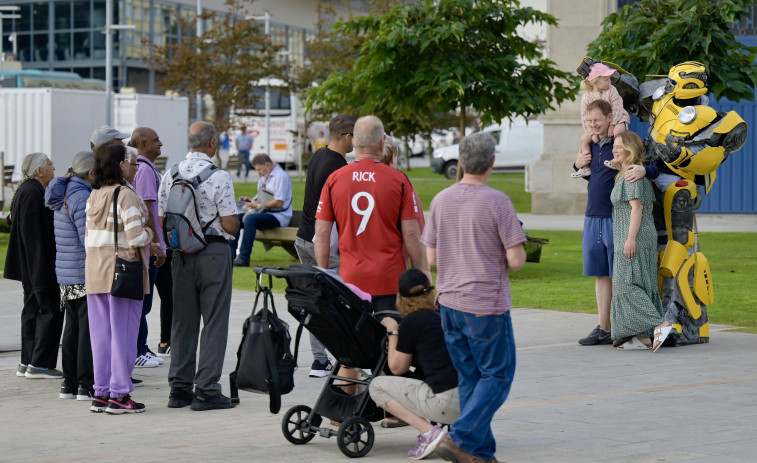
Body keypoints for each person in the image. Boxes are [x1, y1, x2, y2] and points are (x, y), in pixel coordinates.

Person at [422, 132, 527, 463]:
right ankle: (461, 437)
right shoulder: (498, 202)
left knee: (470, 377)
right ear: (492, 163)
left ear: (462, 162)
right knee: (498, 375)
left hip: (449, 303)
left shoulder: (440, 199)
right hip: (485, 305)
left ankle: (478, 452)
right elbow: (516, 260)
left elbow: (433, 258)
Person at [314, 115, 429, 391]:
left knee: (350, 348)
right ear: (381, 143)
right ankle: (393, 412)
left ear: (354, 143)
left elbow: (321, 235)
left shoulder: (334, 179)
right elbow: (412, 234)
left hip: (350, 279)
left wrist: (323, 275)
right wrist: (423, 272)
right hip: (389, 278)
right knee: (392, 340)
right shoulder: (398, 180)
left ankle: (344, 410)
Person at [158, 121, 240, 411]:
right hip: (213, 252)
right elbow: (229, 223)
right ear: (212, 143)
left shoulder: (171, 174)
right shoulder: (219, 177)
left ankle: (179, 389)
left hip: (181, 254)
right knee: (214, 322)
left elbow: (162, 217)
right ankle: (206, 389)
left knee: (183, 322)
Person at [574, 99, 658, 346]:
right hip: (592, 218)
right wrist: (576, 164)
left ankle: (629, 327)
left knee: (620, 276)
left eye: (597, 120)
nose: (593, 125)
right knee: (601, 274)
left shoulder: (619, 144)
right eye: (589, 121)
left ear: (610, 118)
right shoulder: (591, 144)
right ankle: (604, 327)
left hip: (616, 220)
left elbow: (650, 165)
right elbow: (591, 174)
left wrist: (645, 171)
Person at [85, 143, 154, 414]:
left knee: (101, 336)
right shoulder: (125, 194)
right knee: (124, 335)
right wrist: (152, 239)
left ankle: (101, 392)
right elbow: (137, 235)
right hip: (123, 274)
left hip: (96, 273)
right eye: (133, 163)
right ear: (121, 164)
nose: (136, 168)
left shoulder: (95, 195)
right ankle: (120, 395)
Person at [368, 269, 459, 460]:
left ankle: (429, 433)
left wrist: (393, 331)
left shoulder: (412, 322)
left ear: (400, 298)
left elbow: (397, 368)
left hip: (445, 404)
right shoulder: (443, 315)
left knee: (376, 386)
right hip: (468, 403)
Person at [295, 114, 355, 378]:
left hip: (303, 237)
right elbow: (340, 211)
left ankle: (320, 361)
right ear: (347, 137)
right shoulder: (339, 166)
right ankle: (349, 358)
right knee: (344, 301)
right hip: (324, 241)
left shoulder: (318, 155)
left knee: (316, 302)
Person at [609, 132, 672, 351]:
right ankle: (643, 338)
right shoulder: (629, 174)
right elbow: (650, 206)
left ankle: (659, 324)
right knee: (642, 284)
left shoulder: (631, 175)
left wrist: (630, 239)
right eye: (614, 146)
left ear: (630, 149)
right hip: (640, 235)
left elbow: (638, 208)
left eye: (618, 146)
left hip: (633, 236)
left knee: (627, 284)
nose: (614, 150)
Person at [5, 153, 63, 379]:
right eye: (49, 164)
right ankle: (39, 364)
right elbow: (32, 238)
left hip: (34, 267)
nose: (53, 167)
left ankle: (28, 362)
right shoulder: (32, 193)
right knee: (48, 310)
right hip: (38, 267)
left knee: (33, 311)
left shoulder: (29, 190)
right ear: (39, 171)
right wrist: (40, 272)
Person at [44, 151, 96, 399]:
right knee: (85, 331)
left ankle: (69, 383)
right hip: (82, 272)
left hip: (66, 273)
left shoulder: (64, 193)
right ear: (90, 173)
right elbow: (89, 239)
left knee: (73, 329)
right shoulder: (82, 197)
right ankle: (86, 384)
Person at [130, 127, 168, 368]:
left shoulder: (145, 168)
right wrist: (155, 244)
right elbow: (147, 209)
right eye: (156, 141)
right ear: (143, 143)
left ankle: (140, 347)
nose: (160, 144)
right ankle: (138, 349)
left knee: (144, 301)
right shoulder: (144, 170)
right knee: (142, 302)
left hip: (148, 245)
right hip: (148, 248)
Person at [232, 153, 293, 267]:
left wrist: (258, 205)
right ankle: (230, 255)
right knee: (237, 218)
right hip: (265, 213)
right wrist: (250, 200)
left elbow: (279, 202)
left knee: (250, 219)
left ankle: (244, 258)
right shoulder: (264, 179)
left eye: (259, 169)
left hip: (280, 216)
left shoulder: (281, 177)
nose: (258, 173)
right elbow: (261, 197)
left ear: (268, 165)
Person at [573, 63, 631, 178]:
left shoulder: (612, 90)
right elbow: (585, 117)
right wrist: (591, 133)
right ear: (595, 81)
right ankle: (584, 167)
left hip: (618, 118)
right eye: (606, 79)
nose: (609, 82)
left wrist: (613, 124)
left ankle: (616, 159)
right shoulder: (587, 97)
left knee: (618, 132)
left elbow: (617, 107)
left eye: (609, 79)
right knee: (584, 139)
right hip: (597, 124)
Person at [381, 136, 425, 267]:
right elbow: (416, 230)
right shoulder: (402, 184)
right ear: (393, 157)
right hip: (394, 263)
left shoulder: (359, 182)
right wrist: (421, 267)